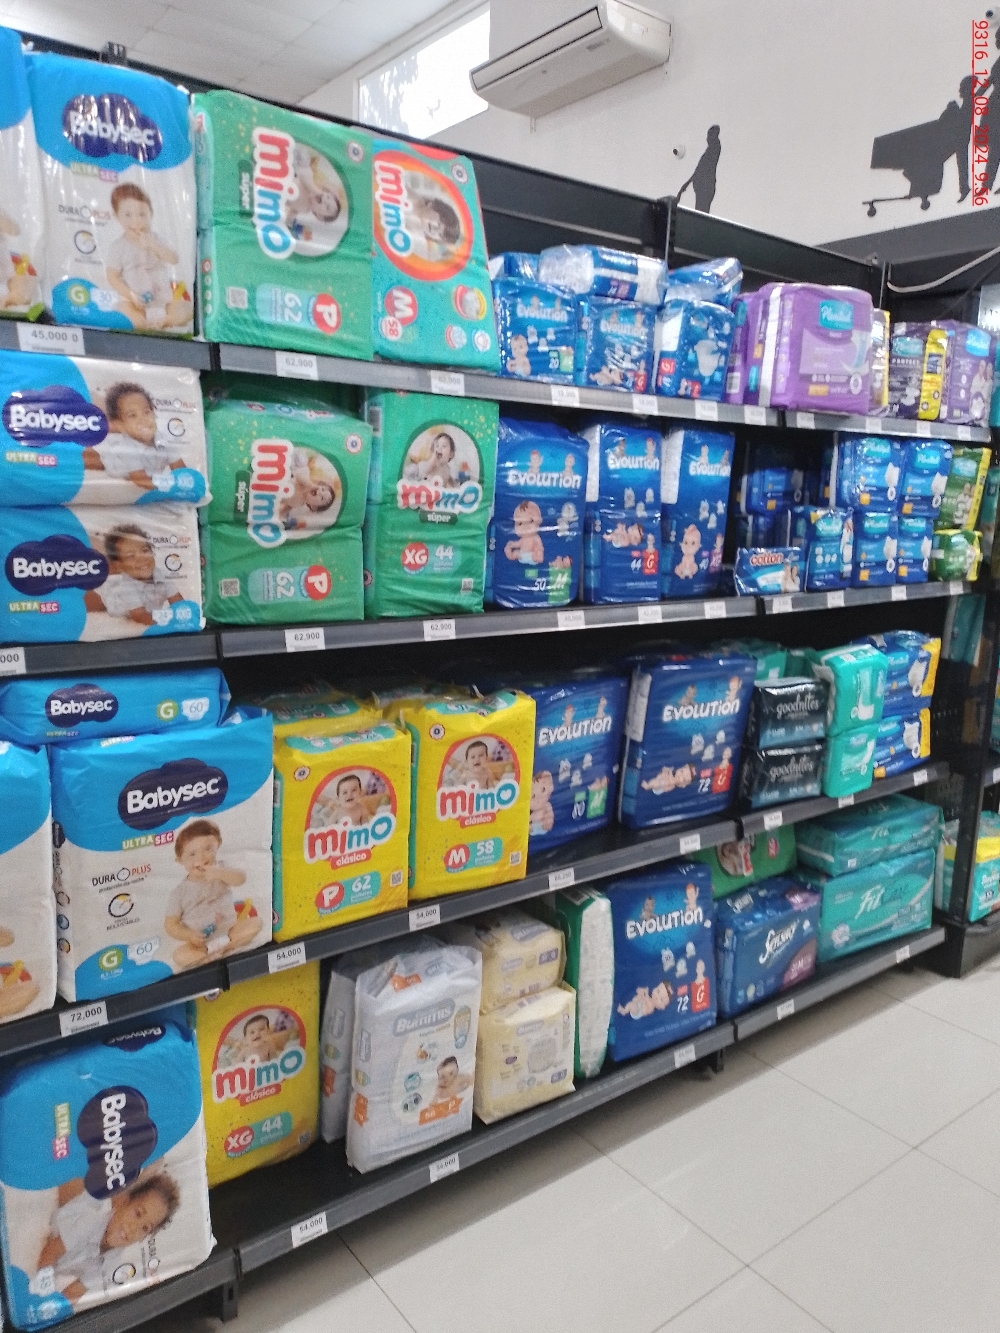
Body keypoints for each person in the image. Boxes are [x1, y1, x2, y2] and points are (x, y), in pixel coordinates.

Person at [36, 1173, 180, 1305]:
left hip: (49, 1265)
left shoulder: (112, 1260)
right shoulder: (91, 1220)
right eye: (137, 1213)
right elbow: (49, 1253)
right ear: (123, 1201)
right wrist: (44, 1297)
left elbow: (74, 1292)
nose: (133, 1228)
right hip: (42, 1238)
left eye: (145, 1228)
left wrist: (56, 1309)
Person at [163, 818, 259, 970]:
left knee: (256, 923)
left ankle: (224, 949)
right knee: (179, 956)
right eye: (192, 854)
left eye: (208, 849)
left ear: (218, 845)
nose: (201, 858)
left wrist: (219, 873)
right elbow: (171, 925)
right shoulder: (179, 892)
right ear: (180, 860)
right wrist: (189, 935)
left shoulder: (222, 869)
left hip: (229, 931)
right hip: (200, 943)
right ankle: (208, 954)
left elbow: (241, 878)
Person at [105, 184, 188, 329]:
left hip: (163, 299)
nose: (136, 221)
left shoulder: (156, 239)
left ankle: (166, 320)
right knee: (123, 311)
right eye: (128, 215)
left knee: (186, 308)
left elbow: (174, 259)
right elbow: (112, 277)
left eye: (142, 214)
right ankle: (143, 323)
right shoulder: (118, 246)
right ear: (117, 216)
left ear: (151, 214)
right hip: (134, 301)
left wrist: (153, 245)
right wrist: (131, 295)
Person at [84, 382, 184, 490]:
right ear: (120, 425)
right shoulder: (126, 449)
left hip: (120, 439)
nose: (143, 419)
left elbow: (182, 471)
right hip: (108, 455)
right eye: (132, 415)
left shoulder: (165, 440)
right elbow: (141, 480)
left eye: (146, 412)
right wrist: (171, 486)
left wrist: (185, 483)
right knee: (84, 460)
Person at [91, 524, 182, 627]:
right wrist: (164, 627)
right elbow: (139, 616)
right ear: (119, 565)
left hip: (120, 581)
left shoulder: (162, 575)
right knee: (90, 600)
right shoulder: (126, 588)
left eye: (144, 550)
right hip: (112, 596)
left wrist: (183, 617)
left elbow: (178, 602)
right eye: (130, 556)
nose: (141, 558)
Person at [677, 126, 721, 213]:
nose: (707, 139)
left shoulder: (713, 150)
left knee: (701, 212)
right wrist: (686, 184)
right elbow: (699, 170)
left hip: (705, 187)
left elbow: (700, 169)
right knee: (700, 211)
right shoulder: (710, 151)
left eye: (709, 135)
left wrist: (686, 185)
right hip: (702, 187)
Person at [504, 500, 545, 564]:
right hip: (522, 556)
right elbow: (518, 544)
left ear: (539, 521)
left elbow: (540, 546)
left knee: (537, 552)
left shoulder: (535, 537)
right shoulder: (523, 539)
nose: (525, 526)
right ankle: (508, 553)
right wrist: (512, 544)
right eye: (520, 523)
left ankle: (538, 558)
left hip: (532, 556)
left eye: (530, 521)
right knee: (515, 553)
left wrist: (539, 550)